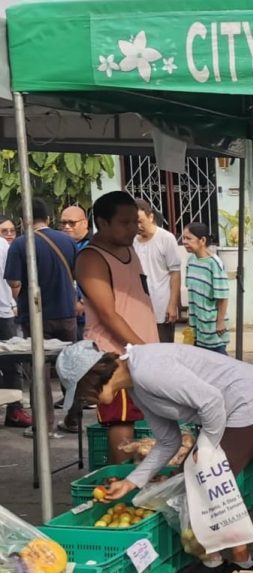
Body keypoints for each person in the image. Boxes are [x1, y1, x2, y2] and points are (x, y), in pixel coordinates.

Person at [56, 340, 253, 573]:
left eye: (84, 395)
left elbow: (211, 401)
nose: (89, 402)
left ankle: (243, 564)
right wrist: (130, 482)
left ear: (92, 379)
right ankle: (213, 561)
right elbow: (168, 441)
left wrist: (207, 449)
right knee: (191, 479)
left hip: (251, 400)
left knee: (209, 481)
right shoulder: (136, 386)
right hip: (230, 408)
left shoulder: (147, 370)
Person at [76, 190, 159, 462]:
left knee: (134, 419)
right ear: (102, 222)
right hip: (112, 354)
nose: (134, 229)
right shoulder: (91, 259)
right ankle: (118, 482)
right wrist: (143, 350)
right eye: (124, 223)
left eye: (134, 222)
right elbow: (109, 315)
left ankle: (129, 482)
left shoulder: (128, 249)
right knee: (120, 421)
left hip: (137, 351)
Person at [4, 199, 79, 436]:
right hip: (67, 313)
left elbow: (14, 282)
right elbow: (78, 274)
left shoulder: (20, 244)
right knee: (71, 368)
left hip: (36, 318)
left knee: (40, 373)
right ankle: (73, 418)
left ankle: (43, 424)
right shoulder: (68, 241)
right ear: (48, 218)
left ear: (24, 219)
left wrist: (23, 300)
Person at [134, 200, 181, 344]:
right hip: (138, 306)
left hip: (161, 305)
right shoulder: (132, 240)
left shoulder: (166, 238)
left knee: (164, 348)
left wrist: (172, 305)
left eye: (141, 221)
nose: (138, 226)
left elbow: (175, 273)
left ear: (151, 217)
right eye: (134, 222)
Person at [182, 223, 229, 354]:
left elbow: (223, 297)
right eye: (183, 238)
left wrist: (220, 322)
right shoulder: (191, 260)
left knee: (218, 364)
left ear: (202, 240)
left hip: (212, 327)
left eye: (188, 238)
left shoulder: (214, 264)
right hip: (197, 326)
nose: (184, 242)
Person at [0, 216, 28, 427]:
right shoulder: (4, 246)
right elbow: (13, 280)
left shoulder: (3, 246)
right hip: (5, 311)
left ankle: (15, 410)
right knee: (11, 362)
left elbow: (12, 280)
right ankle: (14, 410)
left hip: (5, 310)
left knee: (11, 362)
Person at [59, 204, 90, 342]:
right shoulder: (58, 245)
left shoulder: (93, 245)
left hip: (88, 315)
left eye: (71, 223)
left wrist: (84, 301)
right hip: (64, 315)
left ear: (85, 223)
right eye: (63, 223)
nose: (66, 226)